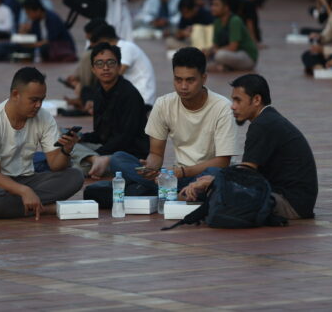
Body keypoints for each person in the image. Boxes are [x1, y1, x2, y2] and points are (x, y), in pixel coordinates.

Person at [181, 74, 318, 220]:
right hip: (294, 201)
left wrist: (214, 182)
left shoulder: (263, 125)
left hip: (290, 204)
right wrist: (215, 180)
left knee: (217, 186)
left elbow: (246, 173)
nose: (233, 106)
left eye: (238, 100)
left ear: (257, 100)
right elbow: (247, 174)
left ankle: (180, 197)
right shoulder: (267, 119)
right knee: (214, 176)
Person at [109, 47, 239, 195]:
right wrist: (150, 168)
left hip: (205, 176)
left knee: (215, 175)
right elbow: (156, 154)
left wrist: (183, 172)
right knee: (118, 159)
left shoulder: (222, 107)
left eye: (190, 80)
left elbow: (222, 162)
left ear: (204, 78)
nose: (183, 86)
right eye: (178, 79)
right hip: (175, 177)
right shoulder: (163, 104)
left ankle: (160, 191)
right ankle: (177, 192)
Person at [0, 67, 84, 219]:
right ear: (16, 95)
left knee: (75, 176)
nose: (38, 105)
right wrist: (25, 191)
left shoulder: (44, 117)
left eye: (42, 100)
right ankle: (45, 208)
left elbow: (55, 165)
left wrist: (66, 150)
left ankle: (27, 206)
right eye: (34, 100)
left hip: (26, 179)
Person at [66, 43, 150, 178]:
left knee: (76, 167)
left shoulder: (130, 95)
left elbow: (125, 138)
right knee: (62, 136)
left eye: (111, 63)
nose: (105, 68)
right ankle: (93, 160)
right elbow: (100, 134)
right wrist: (80, 137)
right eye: (99, 63)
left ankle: (90, 160)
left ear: (119, 66)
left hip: (126, 155)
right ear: (93, 69)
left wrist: (99, 153)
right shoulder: (99, 92)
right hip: (105, 149)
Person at [0, 0, 76, 62]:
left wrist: (31, 45)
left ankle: (17, 56)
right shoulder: (36, 21)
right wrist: (23, 34)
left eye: (29, 13)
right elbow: (34, 37)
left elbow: (49, 41)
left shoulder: (53, 18)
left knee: (42, 49)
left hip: (55, 48)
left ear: (38, 11)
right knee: (3, 47)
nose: (28, 16)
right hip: (37, 47)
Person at [90, 24, 156, 108]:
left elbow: (115, 75)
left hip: (142, 98)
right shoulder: (122, 47)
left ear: (104, 40)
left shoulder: (126, 48)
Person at [207, 0, 258, 71]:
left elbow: (233, 47)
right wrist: (208, 52)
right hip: (231, 55)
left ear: (226, 7)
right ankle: (225, 67)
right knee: (202, 58)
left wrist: (214, 51)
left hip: (246, 56)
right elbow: (215, 45)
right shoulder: (217, 22)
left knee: (219, 55)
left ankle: (223, 66)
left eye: (216, 5)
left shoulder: (235, 20)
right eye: (212, 5)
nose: (212, 8)